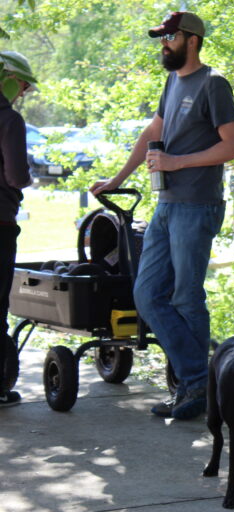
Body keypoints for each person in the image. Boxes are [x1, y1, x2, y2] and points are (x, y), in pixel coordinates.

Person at [90, 11, 234, 420]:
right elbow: (151, 133)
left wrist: (177, 162)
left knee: (186, 297)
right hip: (167, 205)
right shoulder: (173, 81)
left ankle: (196, 387)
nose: (163, 44)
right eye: (161, 38)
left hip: (197, 205)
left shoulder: (213, 84)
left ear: (192, 40)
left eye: (170, 37)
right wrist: (117, 178)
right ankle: (199, 381)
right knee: (146, 294)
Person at [0, 51, 36, 407]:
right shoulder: (9, 120)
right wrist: (27, 178)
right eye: (23, 85)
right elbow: (16, 175)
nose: (23, 92)